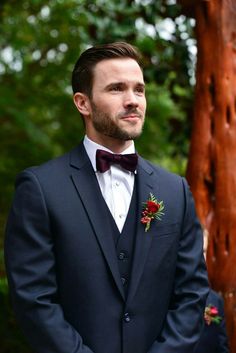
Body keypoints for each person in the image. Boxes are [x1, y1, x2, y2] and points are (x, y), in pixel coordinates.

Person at [4, 42, 209, 353]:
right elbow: (34, 299)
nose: (133, 101)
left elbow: (192, 293)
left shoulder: (175, 191)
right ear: (83, 103)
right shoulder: (40, 188)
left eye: (139, 90)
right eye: (116, 89)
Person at [194, 230, 229, 353]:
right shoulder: (164, 297)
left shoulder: (215, 300)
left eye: (203, 251)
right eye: (196, 249)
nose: (200, 257)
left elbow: (222, 347)